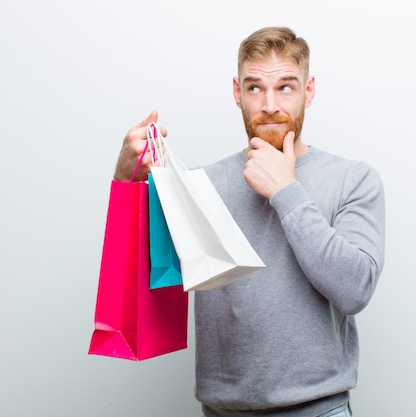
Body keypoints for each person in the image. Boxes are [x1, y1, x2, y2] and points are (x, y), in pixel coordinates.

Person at [114, 27, 385, 417]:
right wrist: (127, 179)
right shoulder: (202, 185)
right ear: (237, 92)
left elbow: (355, 290)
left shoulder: (353, 179)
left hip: (318, 410)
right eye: (255, 87)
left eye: (285, 87)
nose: (270, 104)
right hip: (221, 411)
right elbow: (142, 277)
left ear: (308, 91)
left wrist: (285, 190)